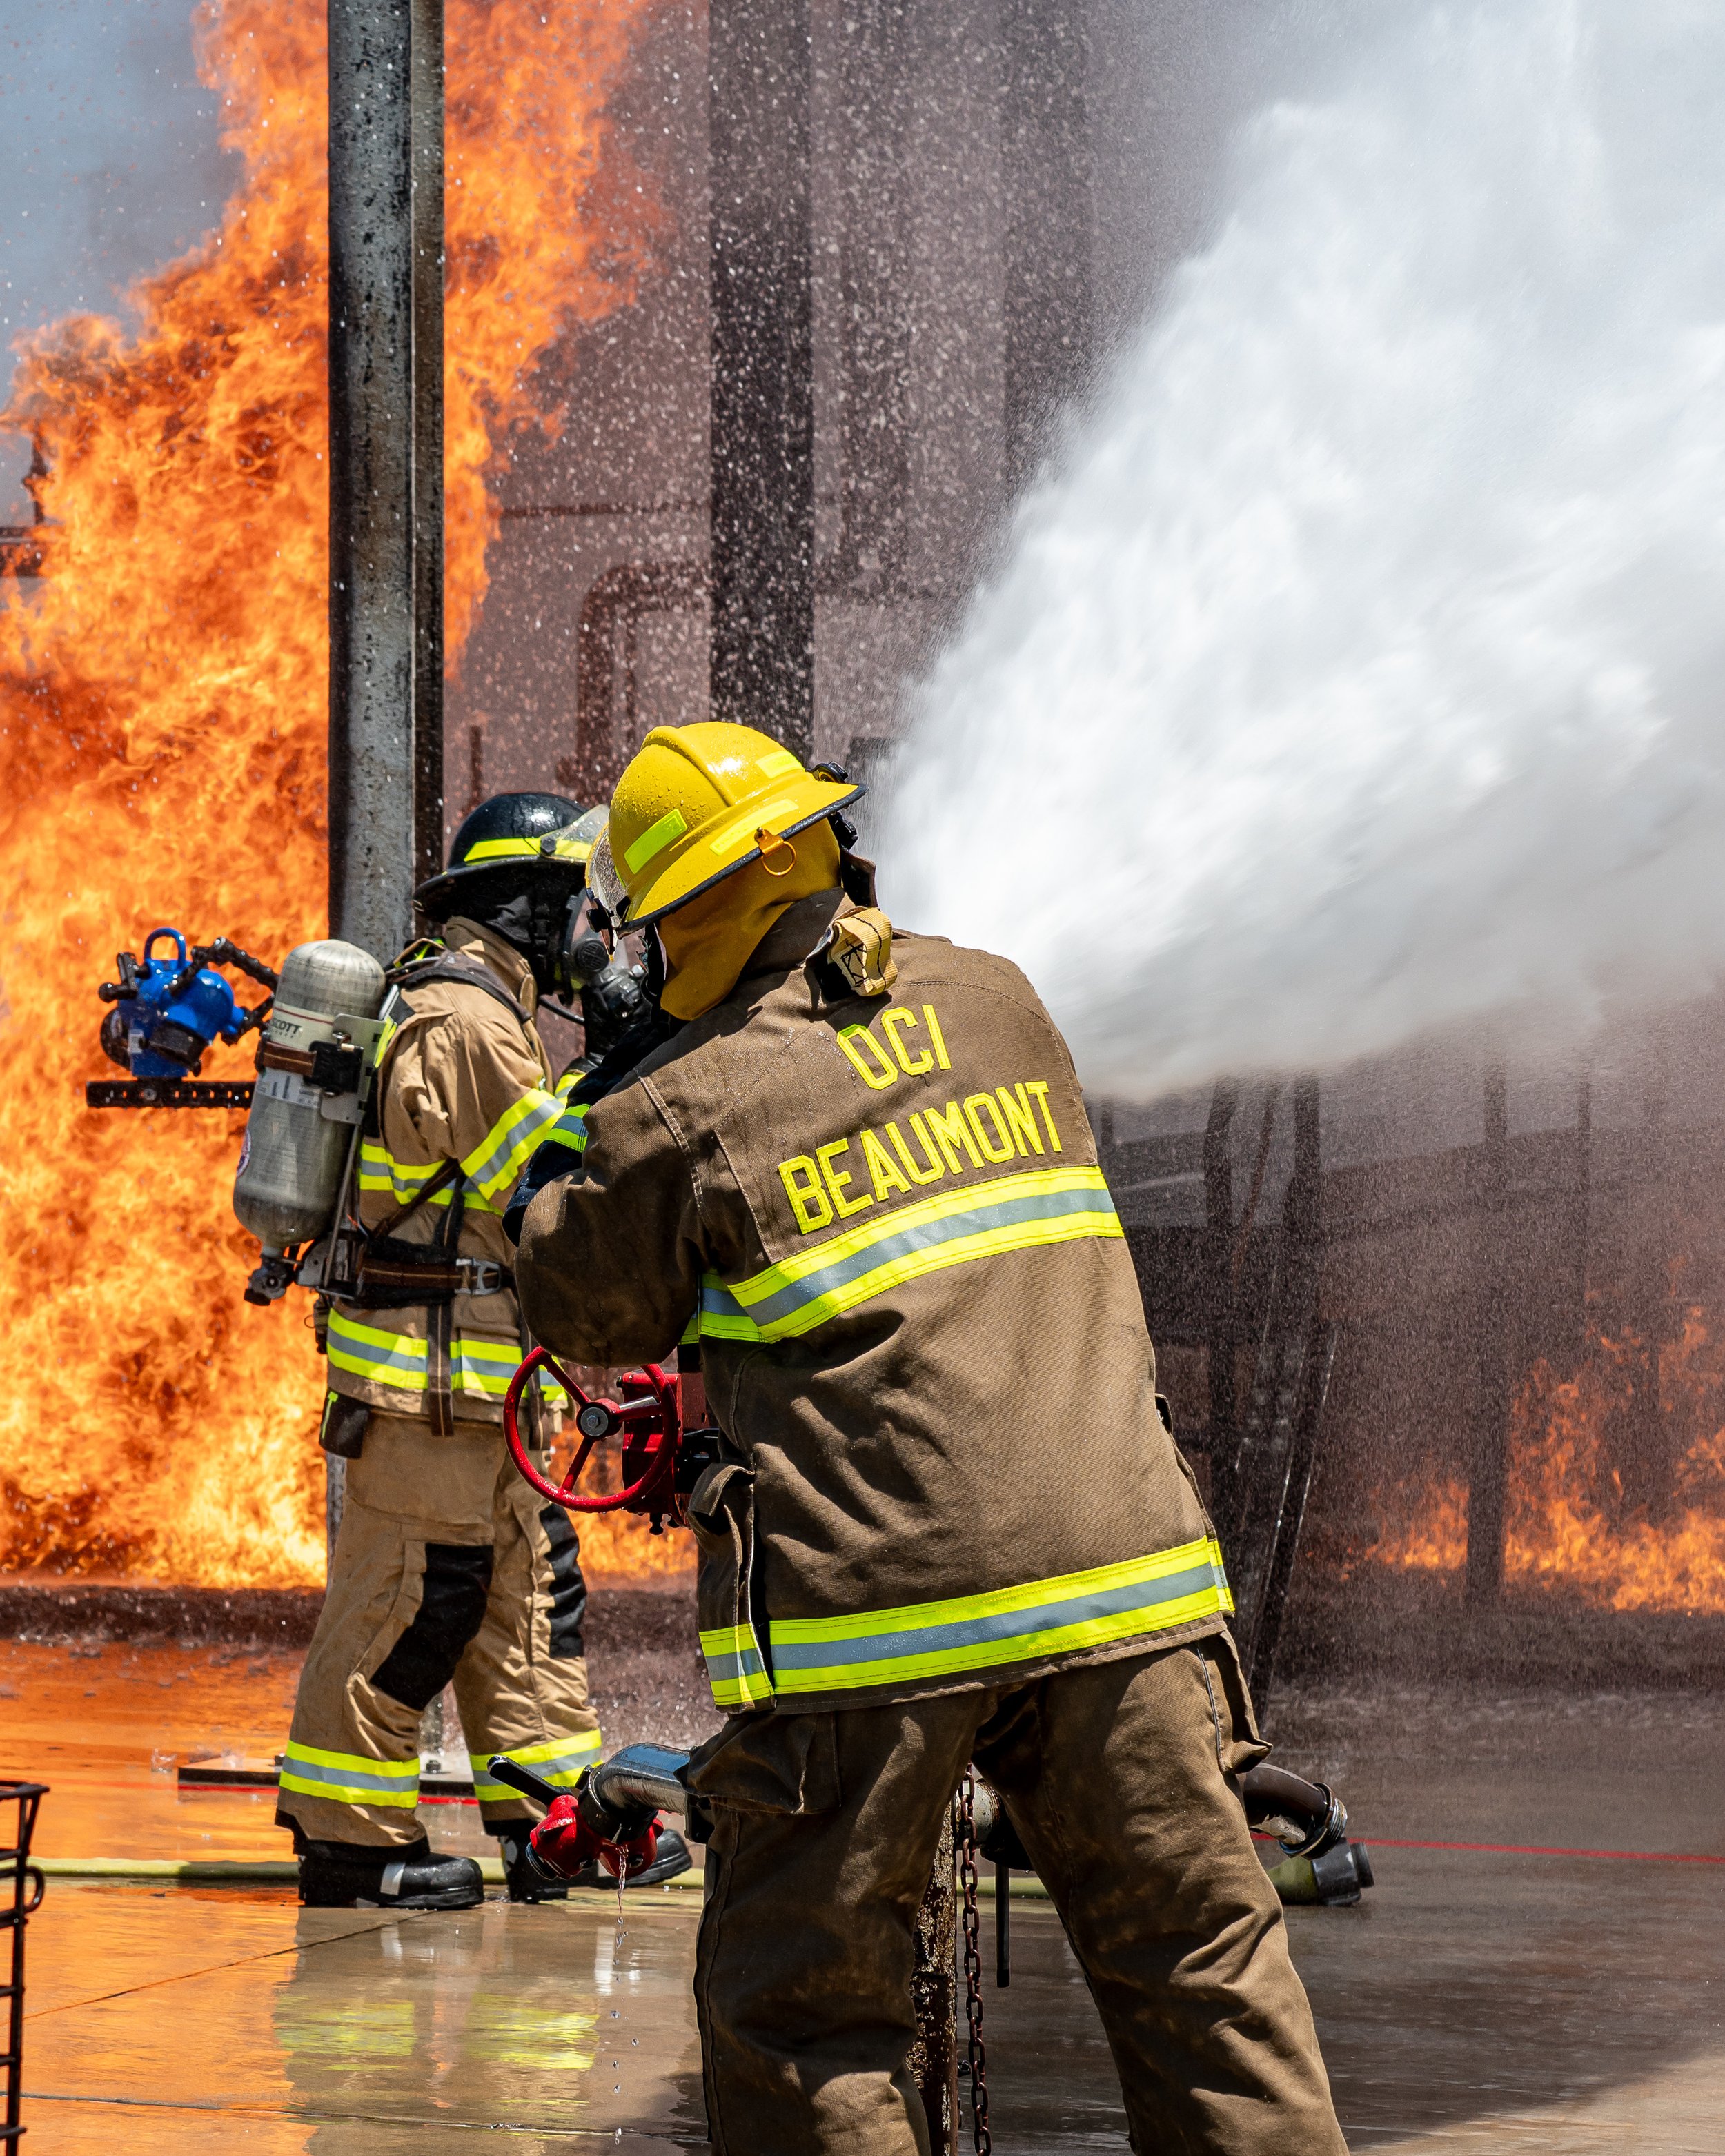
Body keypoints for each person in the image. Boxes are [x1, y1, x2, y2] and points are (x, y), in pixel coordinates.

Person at [510, 723, 1348, 2154]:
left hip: (870, 1633)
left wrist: (569, 1132)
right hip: (1125, 1593)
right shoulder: (1006, 999)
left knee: (801, 2020)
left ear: (692, 915)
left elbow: (580, 1303)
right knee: (1205, 1982)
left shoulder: (677, 1105)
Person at [277, 790, 689, 1910]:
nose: (592, 936)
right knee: (412, 1603)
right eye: (577, 908)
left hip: (483, 1390)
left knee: (524, 1592)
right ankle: (348, 1843)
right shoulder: (465, 1019)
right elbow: (543, 1189)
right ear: (529, 903)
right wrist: (624, 1061)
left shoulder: (485, 1011)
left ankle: (554, 1821)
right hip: (428, 1394)